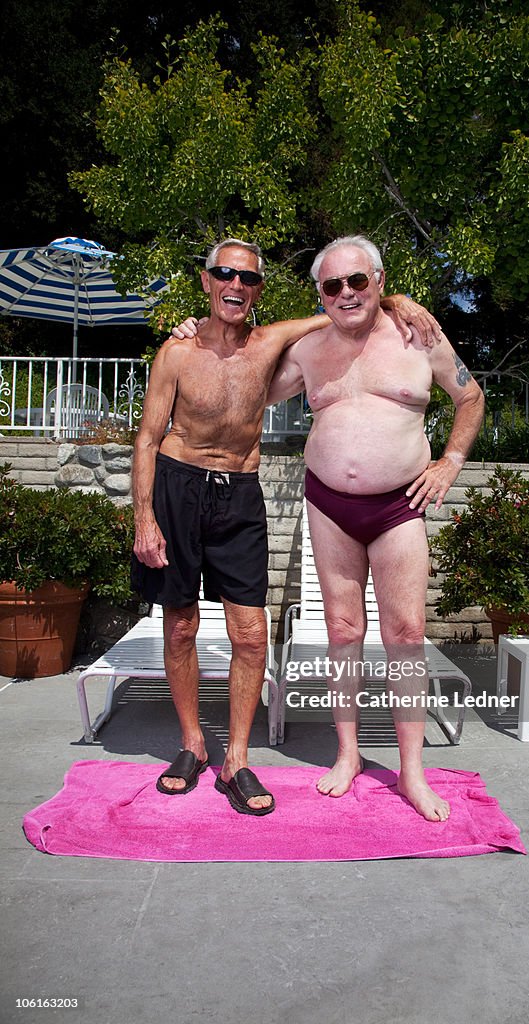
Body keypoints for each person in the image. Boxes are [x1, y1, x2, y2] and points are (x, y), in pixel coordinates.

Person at [133, 237, 440, 816]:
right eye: (224, 275)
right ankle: (192, 744)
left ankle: (238, 760)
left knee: (251, 636)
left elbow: (348, 304)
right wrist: (144, 517)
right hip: (177, 484)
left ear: (259, 290)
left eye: (248, 279)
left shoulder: (273, 339)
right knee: (180, 627)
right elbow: (147, 437)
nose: (236, 286)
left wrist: (396, 298)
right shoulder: (175, 350)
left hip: (240, 494)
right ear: (206, 282)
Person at [266, 236, 485, 821]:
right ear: (319, 295)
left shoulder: (421, 337)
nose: (347, 294)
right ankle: (348, 755)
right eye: (332, 286)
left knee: (407, 634)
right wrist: (199, 337)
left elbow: (471, 398)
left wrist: (450, 463)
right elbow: (247, 381)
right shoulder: (309, 350)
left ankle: (412, 771)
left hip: (399, 505)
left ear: (379, 280)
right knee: (342, 630)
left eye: (358, 281)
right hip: (329, 503)